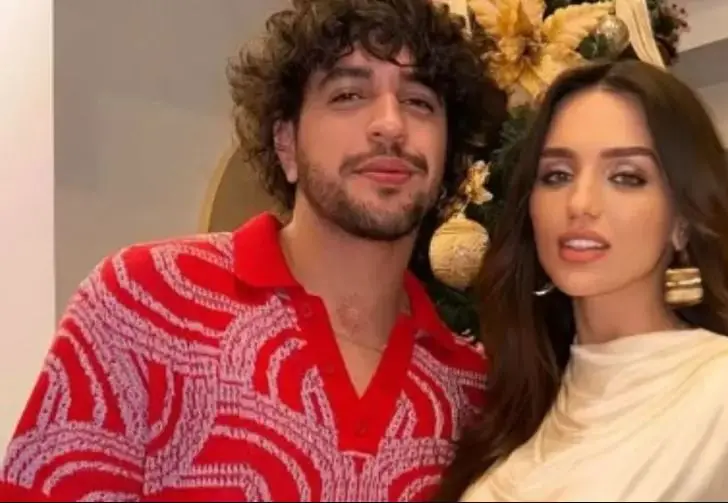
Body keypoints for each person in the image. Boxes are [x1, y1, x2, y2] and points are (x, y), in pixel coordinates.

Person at [0, 0, 505, 501]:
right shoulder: (143, 301)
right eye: (349, 94)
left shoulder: (471, 391)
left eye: (420, 102)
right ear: (286, 143)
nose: (391, 124)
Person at [433, 59, 728, 502]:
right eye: (557, 176)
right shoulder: (522, 405)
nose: (580, 203)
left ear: (682, 220)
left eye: (626, 177)